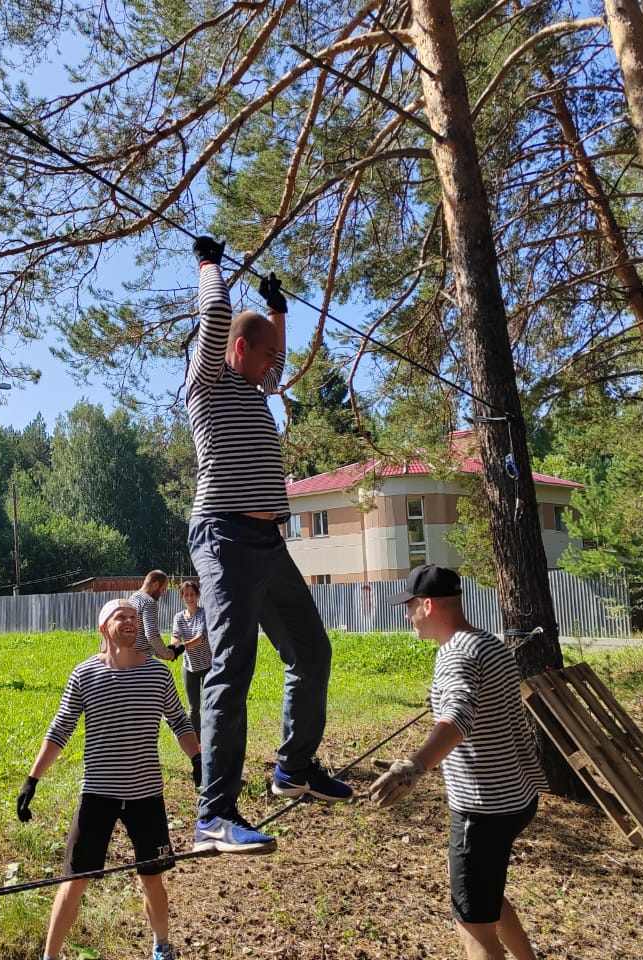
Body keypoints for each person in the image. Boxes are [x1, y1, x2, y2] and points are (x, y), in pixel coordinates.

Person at [185, 236, 351, 857]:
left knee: (312, 650)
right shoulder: (207, 382)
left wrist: (278, 309)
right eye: (263, 356)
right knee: (233, 665)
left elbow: (276, 360)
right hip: (223, 535)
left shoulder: (256, 388)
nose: (271, 370)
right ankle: (214, 814)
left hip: (268, 540)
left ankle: (293, 770)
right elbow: (216, 316)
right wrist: (210, 266)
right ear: (236, 349)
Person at [369, 564, 547, 960]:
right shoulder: (488, 643)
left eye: (409, 606)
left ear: (427, 605)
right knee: (484, 892)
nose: (406, 615)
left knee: (471, 923)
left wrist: (413, 767)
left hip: (483, 808)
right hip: (518, 797)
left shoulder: (454, 655)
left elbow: (458, 719)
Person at [17, 598, 201, 960]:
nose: (131, 621)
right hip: (97, 794)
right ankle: (50, 957)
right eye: (122, 617)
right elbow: (60, 730)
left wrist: (197, 759)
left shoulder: (158, 674)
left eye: (135, 617)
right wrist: (32, 779)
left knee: (151, 878)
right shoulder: (84, 674)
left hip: (146, 794)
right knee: (74, 880)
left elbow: (179, 721)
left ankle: (162, 947)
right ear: (104, 627)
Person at [170, 579, 210, 736]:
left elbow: (201, 637)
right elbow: (175, 636)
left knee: (209, 705)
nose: (189, 598)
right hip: (189, 667)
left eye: (192, 594)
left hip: (208, 665)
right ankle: (197, 742)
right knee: (193, 708)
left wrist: (182, 647)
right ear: (182, 597)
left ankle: (211, 738)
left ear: (198, 596)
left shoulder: (203, 614)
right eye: (186, 595)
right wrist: (173, 648)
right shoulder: (178, 617)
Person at [128, 570, 184, 661]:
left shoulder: (132, 599)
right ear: (156, 585)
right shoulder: (149, 602)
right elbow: (151, 635)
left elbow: (143, 638)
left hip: (129, 656)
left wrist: (164, 652)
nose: (163, 594)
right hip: (141, 661)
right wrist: (169, 654)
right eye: (163, 589)